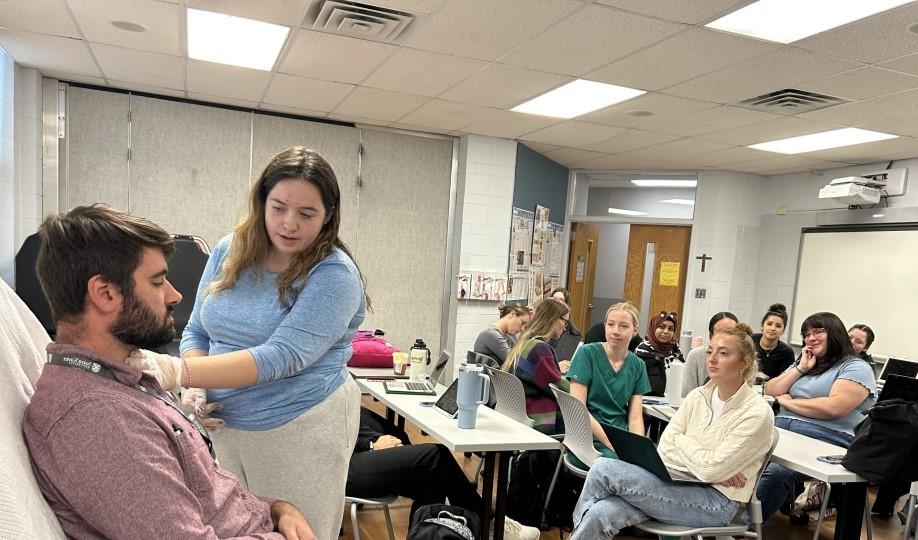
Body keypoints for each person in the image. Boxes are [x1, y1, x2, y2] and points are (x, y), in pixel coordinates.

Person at [22, 204, 315, 539]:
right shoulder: (97, 421)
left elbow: (207, 496)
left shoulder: (118, 379)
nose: (175, 295)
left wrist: (277, 509)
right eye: (158, 281)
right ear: (105, 293)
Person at [128, 146, 367, 538]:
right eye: (278, 208)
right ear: (261, 202)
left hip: (298, 424)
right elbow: (198, 331)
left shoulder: (334, 274)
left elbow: (282, 357)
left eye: (307, 214)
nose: (289, 224)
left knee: (298, 531)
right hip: (226, 425)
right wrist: (196, 388)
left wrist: (176, 370)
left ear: (328, 218)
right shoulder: (229, 249)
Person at [569, 322, 777, 539]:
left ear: (745, 362)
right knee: (601, 513)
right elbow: (668, 445)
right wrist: (712, 465)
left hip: (716, 502)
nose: (712, 359)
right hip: (677, 479)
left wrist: (690, 449)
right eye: (709, 351)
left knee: (604, 468)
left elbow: (709, 470)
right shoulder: (698, 396)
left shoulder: (756, 412)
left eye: (723, 353)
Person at [756, 312, 877, 522]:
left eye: (818, 331)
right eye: (806, 334)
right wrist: (801, 368)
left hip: (827, 439)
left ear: (836, 334)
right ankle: (716, 513)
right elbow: (771, 388)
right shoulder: (807, 362)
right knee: (733, 454)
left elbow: (833, 407)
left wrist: (788, 402)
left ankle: (742, 527)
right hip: (782, 431)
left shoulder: (856, 367)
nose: (811, 338)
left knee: (777, 473)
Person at [349, 407, 538, 540]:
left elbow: (348, 414)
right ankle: (489, 522)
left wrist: (380, 438)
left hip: (347, 444)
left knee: (430, 475)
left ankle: (429, 532)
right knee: (435, 457)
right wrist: (371, 444)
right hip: (338, 467)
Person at [566, 302, 651, 459]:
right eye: (611, 325)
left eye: (624, 326)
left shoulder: (638, 365)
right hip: (588, 439)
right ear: (605, 326)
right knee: (619, 464)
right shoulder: (587, 354)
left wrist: (637, 446)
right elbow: (578, 410)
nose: (616, 331)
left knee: (657, 462)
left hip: (620, 437)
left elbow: (635, 418)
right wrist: (611, 443)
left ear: (635, 331)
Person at [502, 297, 571, 435]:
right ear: (553, 318)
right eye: (565, 321)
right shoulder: (539, 349)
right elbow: (558, 387)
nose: (565, 327)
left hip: (520, 411)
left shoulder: (525, 341)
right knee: (589, 423)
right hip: (538, 416)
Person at [681, 311, 738, 397]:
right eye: (721, 333)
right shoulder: (696, 355)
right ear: (711, 336)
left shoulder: (741, 358)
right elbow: (688, 395)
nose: (727, 338)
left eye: (731, 333)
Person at [635, 311, 684, 397]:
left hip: (671, 399)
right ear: (653, 328)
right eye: (661, 327)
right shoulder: (643, 350)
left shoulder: (675, 349)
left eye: (671, 329)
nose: (666, 331)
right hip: (646, 401)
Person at [753, 303, 794, 378]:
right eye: (769, 324)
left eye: (778, 326)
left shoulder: (787, 352)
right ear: (762, 326)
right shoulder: (750, 340)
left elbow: (786, 379)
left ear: (783, 330)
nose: (772, 328)